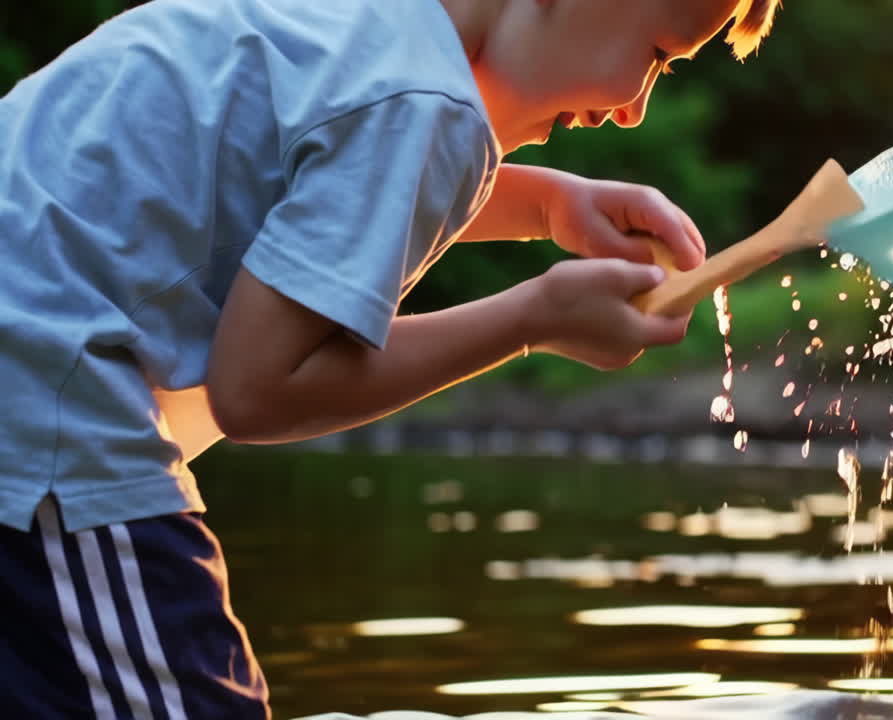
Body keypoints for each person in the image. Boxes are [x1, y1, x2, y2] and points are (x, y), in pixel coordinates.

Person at [0, 0, 780, 716]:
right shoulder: (426, 103)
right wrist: (532, 319)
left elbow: (329, 178)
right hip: (44, 409)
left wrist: (547, 206)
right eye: (656, 56)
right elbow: (258, 389)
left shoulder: (360, 30)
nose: (634, 107)